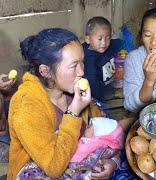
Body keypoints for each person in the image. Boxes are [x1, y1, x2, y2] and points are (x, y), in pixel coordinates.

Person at [7, 28, 121, 179]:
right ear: (45, 71)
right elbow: (54, 168)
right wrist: (73, 112)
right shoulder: (25, 107)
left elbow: (104, 131)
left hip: (74, 161)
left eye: (82, 62)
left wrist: (113, 161)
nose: (81, 72)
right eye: (74, 66)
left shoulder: (75, 90)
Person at [83, 16, 123, 102]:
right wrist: (100, 104)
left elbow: (121, 43)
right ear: (88, 39)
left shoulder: (110, 45)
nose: (104, 43)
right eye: (99, 39)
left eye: (108, 38)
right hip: (99, 95)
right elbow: (94, 87)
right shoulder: (89, 61)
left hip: (111, 84)